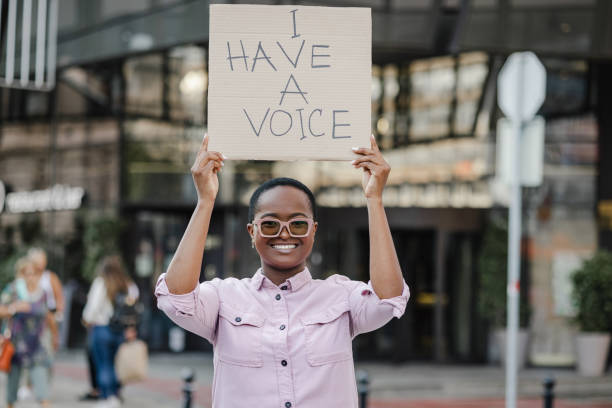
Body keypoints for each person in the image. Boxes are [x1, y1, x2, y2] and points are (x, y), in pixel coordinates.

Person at [155, 133, 409, 407]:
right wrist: (205, 201)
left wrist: (374, 199)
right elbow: (176, 298)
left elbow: (389, 298)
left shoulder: (341, 296)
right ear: (252, 232)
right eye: (270, 224)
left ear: (313, 231)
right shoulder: (223, 297)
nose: (285, 234)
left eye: (298, 224)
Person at [82, 256, 139, 408]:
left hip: (101, 328)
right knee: (116, 363)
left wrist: (87, 320)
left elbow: (92, 310)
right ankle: (116, 394)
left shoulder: (101, 283)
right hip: (121, 331)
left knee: (104, 364)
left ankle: (107, 397)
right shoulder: (127, 284)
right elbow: (135, 304)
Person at [1, 258, 53, 408]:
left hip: (37, 345)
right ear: (20, 274)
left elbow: (48, 316)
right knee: (11, 393)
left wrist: (53, 337)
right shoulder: (13, 290)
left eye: (34, 273)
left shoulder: (42, 293)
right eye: (27, 273)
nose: (31, 277)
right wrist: (14, 308)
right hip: (16, 344)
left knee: (43, 391)